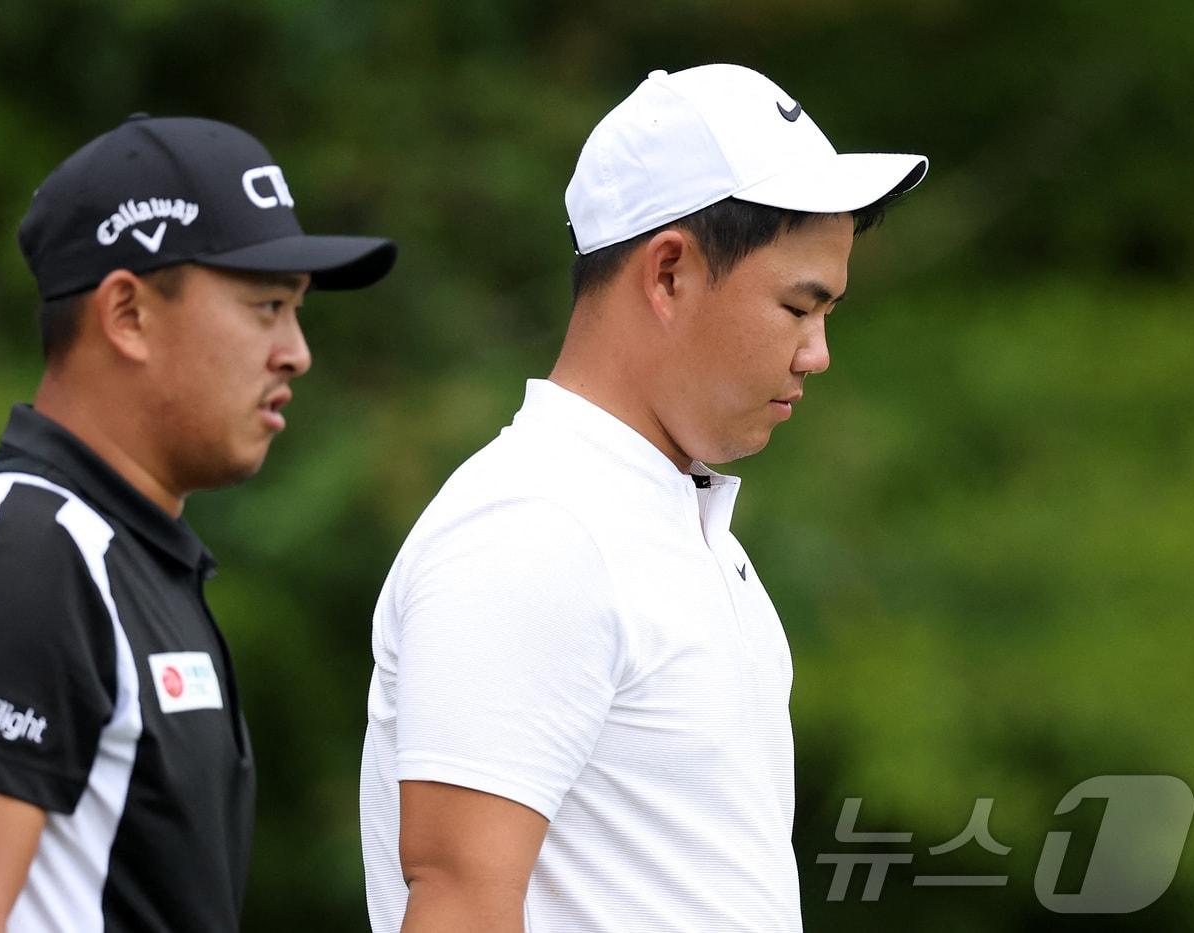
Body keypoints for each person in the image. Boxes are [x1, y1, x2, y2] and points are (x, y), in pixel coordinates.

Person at [359, 64, 927, 932]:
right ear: (668, 274)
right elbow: (461, 904)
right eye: (797, 307)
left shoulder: (673, 525)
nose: (817, 354)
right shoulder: (534, 528)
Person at [0, 113, 395, 932]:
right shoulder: (23, 557)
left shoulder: (119, 555)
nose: (296, 351)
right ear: (127, 314)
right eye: (268, 306)